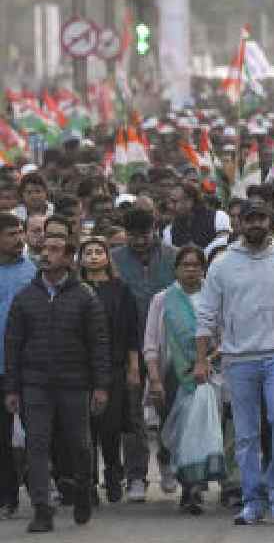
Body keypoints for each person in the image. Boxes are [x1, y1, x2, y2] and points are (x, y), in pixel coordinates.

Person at [193, 200, 274, 525]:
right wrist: (201, 360)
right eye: (249, 219)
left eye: (261, 218)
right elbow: (205, 315)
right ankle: (252, 500)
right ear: (239, 223)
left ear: (270, 221)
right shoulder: (222, 265)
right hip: (238, 358)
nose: (256, 224)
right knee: (245, 435)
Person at [4, 232, 111, 532]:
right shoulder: (26, 297)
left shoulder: (85, 297)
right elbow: (12, 344)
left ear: (67, 258)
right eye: (43, 249)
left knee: (80, 444)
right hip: (35, 384)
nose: (46, 254)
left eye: (54, 249)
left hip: (74, 384)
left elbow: (99, 344)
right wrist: (12, 388)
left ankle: (82, 491)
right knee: (36, 445)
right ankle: (42, 508)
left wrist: (101, 386)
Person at [144, 246, 225, 515]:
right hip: (173, 376)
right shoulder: (162, 300)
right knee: (176, 434)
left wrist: (208, 360)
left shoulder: (214, 298)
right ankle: (179, 475)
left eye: (196, 265)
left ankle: (192, 490)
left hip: (208, 374)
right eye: (185, 265)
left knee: (198, 432)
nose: (191, 270)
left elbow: (226, 337)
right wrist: (154, 379)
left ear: (204, 269)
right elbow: (151, 343)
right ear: (176, 269)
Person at [111, 207, 177, 502]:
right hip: (129, 344)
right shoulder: (115, 259)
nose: (139, 241)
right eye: (133, 236)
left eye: (145, 234)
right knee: (132, 412)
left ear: (156, 229)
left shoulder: (173, 256)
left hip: (169, 343)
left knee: (170, 408)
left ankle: (168, 461)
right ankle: (136, 475)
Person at [78, 237, 141, 504]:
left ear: (107, 257)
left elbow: (130, 331)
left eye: (98, 252)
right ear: (80, 259)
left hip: (114, 366)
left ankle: (114, 475)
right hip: (80, 369)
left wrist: (133, 367)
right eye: (88, 252)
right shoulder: (75, 290)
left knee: (110, 427)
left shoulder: (121, 289)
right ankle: (88, 482)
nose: (93, 256)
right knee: (84, 430)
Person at [0, 214, 36, 519]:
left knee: (37, 432)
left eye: (20, 231)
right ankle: (7, 496)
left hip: (30, 366)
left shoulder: (33, 271)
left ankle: (41, 490)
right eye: (11, 233)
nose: (19, 237)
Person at [162, 183, 231, 255]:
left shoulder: (218, 217)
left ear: (189, 201)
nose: (170, 206)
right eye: (169, 202)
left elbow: (223, 247)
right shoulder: (169, 231)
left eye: (174, 202)